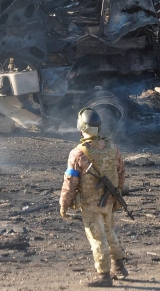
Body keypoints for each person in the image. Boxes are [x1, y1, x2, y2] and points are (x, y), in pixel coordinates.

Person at [59, 108, 129, 287]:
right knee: (108, 231)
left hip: (90, 203)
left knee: (97, 237)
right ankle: (119, 267)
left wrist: (64, 204)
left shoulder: (78, 153)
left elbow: (70, 183)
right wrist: (117, 194)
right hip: (109, 201)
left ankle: (104, 275)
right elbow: (121, 173)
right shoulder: (112, 148)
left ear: (81, 127)